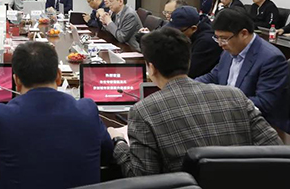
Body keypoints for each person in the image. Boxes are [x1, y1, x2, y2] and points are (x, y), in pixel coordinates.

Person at [109, 28, 282, 177]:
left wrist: (118, 142)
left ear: (151, 68)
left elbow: (142, 177)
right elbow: (275, 149)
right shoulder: (235, 95)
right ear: (188, 61)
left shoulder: (143, 111)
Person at [0, 42, 113, 189]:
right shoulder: (87, 111)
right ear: (59, 76)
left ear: (16, 81)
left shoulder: (2, 116)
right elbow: (107, 154)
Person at [196, 9, 288, 130]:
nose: (220, 44)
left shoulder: (271, 59)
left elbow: (264, 103)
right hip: (228, 117)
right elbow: (213, 76)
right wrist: (189, 86)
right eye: (217, 38)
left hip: (257, 125)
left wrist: (221, 104)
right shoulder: (229, 50)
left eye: (224, 38)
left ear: (244, 33)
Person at [166, 6, 222, 78]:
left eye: (177, 32)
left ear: (193, 29)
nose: (173, 34)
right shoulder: (188, 34)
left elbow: (188, 71)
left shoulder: (207, 42)